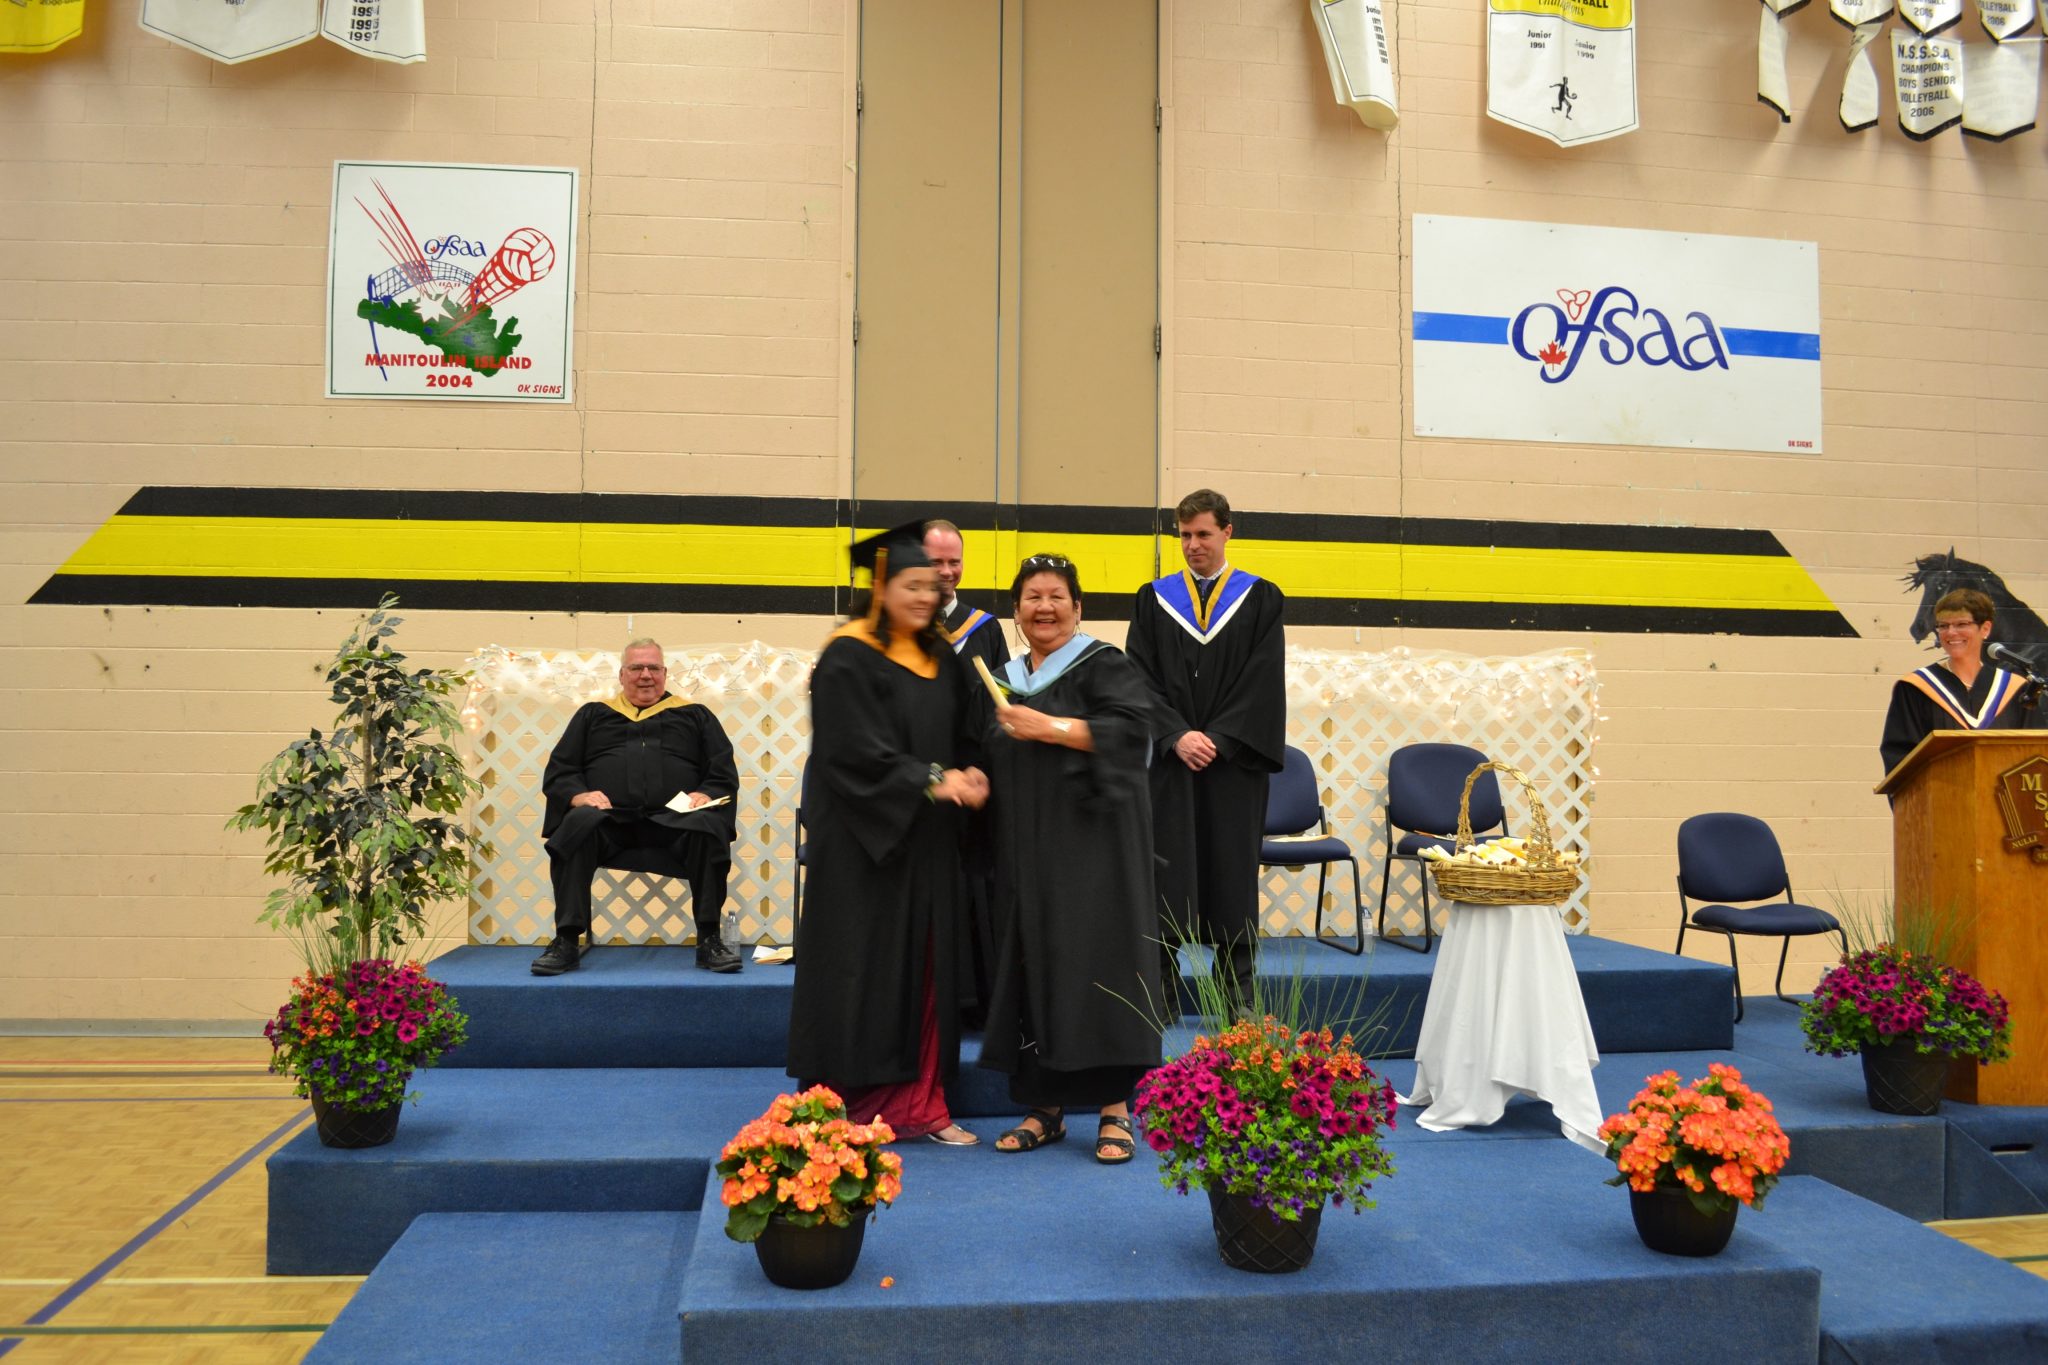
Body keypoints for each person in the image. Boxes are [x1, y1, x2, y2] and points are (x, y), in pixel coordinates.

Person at [786, 522, 989, 1145]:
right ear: (880, 589)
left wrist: (976, 770)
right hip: (862, 847)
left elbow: (968, 730)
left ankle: (923, 1105)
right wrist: (929, 780)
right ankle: (847, 1108)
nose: (926, 597)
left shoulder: (943, 658)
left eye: (932, 587)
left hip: (927, 845)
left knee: (925, 972)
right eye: (912, 586)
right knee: (862, 972)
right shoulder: (847, 655)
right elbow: (848, 751)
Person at [980, 554, 1163, 1164]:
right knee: (1037, 967)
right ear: (1016, 611)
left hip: (1097, 856)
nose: (1045, 607)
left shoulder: (1106, 665)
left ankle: (1115, 1110)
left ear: (1078, 607)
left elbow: (1131, 734)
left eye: (1057, 596)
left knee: (1101, 968)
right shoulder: (1001, 680)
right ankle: (1045, 1109)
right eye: (1032, 597)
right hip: (1027, 855)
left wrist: (1050, 728)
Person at [1126, 489, 1287, 1007]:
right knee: (1166, 871)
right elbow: (1138, 677)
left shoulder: (1261, 599)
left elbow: (1262, 682)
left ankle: (1236, 991)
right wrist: (1176, 735)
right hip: (1172, 761)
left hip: (1232, 762)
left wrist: (1216, 738)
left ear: (1227, 532)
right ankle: (1163, 990)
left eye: (1203, 534)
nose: (1193, 544)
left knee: (1231, 872)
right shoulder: (1153, 600)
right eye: (1185, 535)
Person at [533, 640, 741, 976]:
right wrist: (579, 796)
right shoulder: (593, 715)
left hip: (676, 823)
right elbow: (562, 770)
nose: (646, 675)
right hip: (609, 823)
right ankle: (566, 941)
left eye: (653, 668)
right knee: (576, 825)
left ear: (664, 673)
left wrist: (706, 793)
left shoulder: (694, 715)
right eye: (636, 668)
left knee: (708, 826)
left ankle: (709, 939)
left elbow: (722, 771)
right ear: (621, 674)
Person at [924, 517, 1012, 1031]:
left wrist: (981, 768)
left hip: (979, 781)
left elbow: (1002, 705)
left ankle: (978, 1001)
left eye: (953, 561)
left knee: (977, 883)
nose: (946, 571)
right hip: (926, 783)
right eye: (935, 561)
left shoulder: (985, 628)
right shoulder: (903, 630)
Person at [1880, 587, 2035, 775]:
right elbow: (1900, 760)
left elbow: (2033, 757)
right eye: (1943, 626)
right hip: (1940, 792)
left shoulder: (2016, 690)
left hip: (2004, 793)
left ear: (1985, 629)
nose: (1951, 632)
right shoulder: (1915, 688)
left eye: (1961, 624)